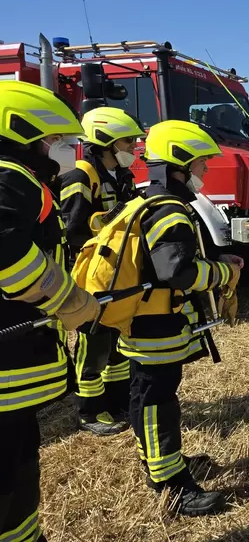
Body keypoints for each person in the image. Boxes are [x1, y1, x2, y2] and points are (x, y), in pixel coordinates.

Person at [119, 120, 242, 515]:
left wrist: (215, 259)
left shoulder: (150, 201)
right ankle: (173, 485)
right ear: (180, 165)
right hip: (158, 326)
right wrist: (222, 273)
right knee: (158, 400)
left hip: (144, 322)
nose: (205, 172)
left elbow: (165, 263)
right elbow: (176, 272)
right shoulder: (170, 210)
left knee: (144, 394)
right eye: (201, 164)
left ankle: (159, 463)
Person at [0, 81, 100, 542]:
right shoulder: (10, 177)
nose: (59, 152)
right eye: (51, 142)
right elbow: (8, 256)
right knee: (11, 479)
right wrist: (70, 301)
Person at [60, 107, 145, 436]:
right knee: (92, 341)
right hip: (90, 273)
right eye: (127, 142)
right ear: (106, 143)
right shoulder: (81, 176)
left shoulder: (122, 176)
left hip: (117, 271)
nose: (132, 148)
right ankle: (89, 410)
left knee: (116, 336)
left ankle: (118, 399)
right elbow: (72, 231)